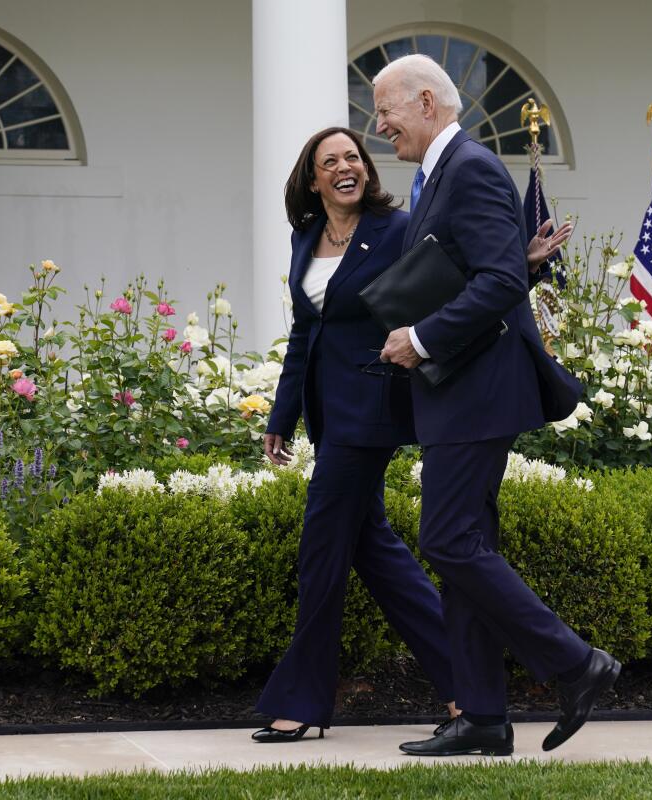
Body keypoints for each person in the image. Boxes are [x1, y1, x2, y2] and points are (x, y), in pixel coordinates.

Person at [373, 54, 621, 757]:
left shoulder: (470, 167)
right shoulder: (443, 174)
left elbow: (496, 281)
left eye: (386, 109)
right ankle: (482, 716)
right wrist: (524, 260)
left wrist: (420, 337)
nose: (380, 124)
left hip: (476, 391)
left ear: (427, 102)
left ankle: (578, 665)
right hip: (460, 392)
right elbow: (487, 267)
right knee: (462, 548)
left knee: (448, 542)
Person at [251, 127, 458, 743]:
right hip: (327, 411)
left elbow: (449, 287)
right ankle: (466, 687)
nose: (345, 167)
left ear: (365, 169)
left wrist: (520, 264)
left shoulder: (397, 229)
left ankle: (303, 700)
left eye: (352, 157)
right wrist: (281, 416)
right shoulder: (305, 238)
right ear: (313, 180)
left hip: (372, 406)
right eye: (329, 161)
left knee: (322, 551)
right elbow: (303, 334)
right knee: (376, 552)